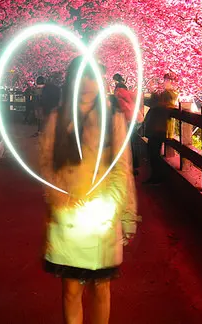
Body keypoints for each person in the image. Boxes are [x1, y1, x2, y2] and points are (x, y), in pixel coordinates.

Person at [38, 57, 138, 324]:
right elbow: (47, 164)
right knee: (71, 289)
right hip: (67, 216)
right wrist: (59, 196)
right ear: (71, 80)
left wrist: (121, 212)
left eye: (91, 76)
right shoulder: (57, 118)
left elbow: (122, 168)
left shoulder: (112, 118)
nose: (86, 83)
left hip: (102, 216)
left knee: (101, 288)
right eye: (80, 76)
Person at [112, 73, 144, 176]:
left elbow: (124, 108)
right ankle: (135, 164)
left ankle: (133, 166)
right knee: (132, 142)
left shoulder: (119, 95)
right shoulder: (127, 93)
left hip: (131, 120)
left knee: (130, 143)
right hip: (136, 118)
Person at [142, 89, 177, 184]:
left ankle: (157, 177)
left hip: (156, 133)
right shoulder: (166, 108)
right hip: (159, 133)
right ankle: (156, 176)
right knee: (154, 154)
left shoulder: (160, 107)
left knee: (153, 155)